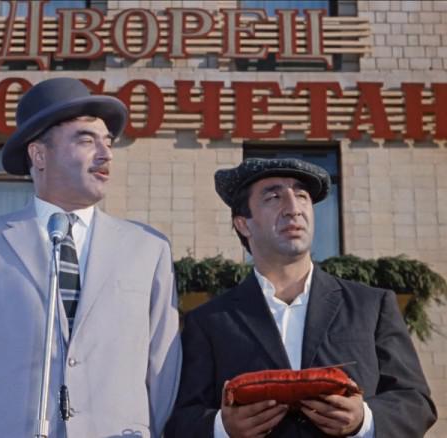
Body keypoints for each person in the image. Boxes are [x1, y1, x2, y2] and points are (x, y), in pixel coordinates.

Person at [0, 77, 181, 438]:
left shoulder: (148, 249)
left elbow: (163, 370)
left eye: (108, 142)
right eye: (86, 140)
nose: (105, 154)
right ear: (39, 155)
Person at [165, 158, 436, 438]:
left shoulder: (372, 306)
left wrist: (363, 421)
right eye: (273, 197)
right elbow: (179, 419)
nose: (294, 209)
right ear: (243, 224)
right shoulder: (209, 322)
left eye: (302, 196)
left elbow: (415, 403)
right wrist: (222, 428)